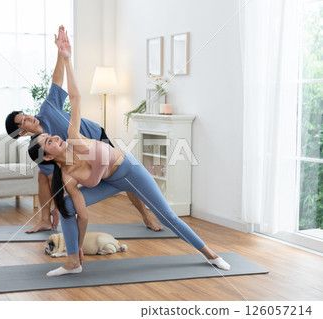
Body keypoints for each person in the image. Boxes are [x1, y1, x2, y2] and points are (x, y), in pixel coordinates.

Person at [28, 28, 231, 277]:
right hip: (111, 182)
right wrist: (79, 247)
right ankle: (73, 262)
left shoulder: (74, 139)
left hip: (130, 171)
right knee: (66, 205)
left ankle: (211, 254)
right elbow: (83, 216)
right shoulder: (68, 178)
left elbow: (76, 97)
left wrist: (67, 59)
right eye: (49, 141)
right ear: (47, 156)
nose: (55, 136)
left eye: (50, 135)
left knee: (166, 216)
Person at [5, 26, 162, 233]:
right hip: (79, 157)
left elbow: (57, 81)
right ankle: (45, 219)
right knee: (43, 175)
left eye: (26, 115)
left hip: (96, 138)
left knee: (125, 178)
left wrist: (61, 54)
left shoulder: (47, 109)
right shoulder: (41, 149)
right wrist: (56, 208)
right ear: (22, 133)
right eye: (24, 121)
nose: (30, 118)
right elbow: (56, 179)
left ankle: (147, 216)